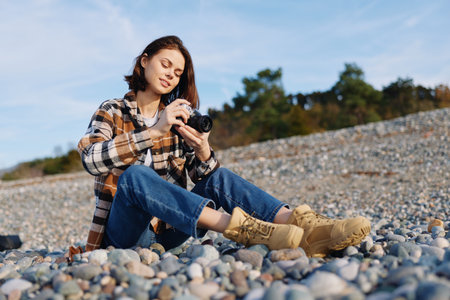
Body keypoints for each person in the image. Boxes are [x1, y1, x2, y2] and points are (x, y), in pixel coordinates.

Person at [78, 35, 370, 258]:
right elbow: (91, 160)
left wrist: (203, 150)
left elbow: (207, 179)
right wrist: (154, 132)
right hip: (124, 237)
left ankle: (308, 227)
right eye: (165, 64)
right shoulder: (113, 110)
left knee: (220, 176)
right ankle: (247, 230)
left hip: (168, 234)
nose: (170, 74)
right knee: (135, 177)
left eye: (178, 72)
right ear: (144, 61)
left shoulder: (179, 116)